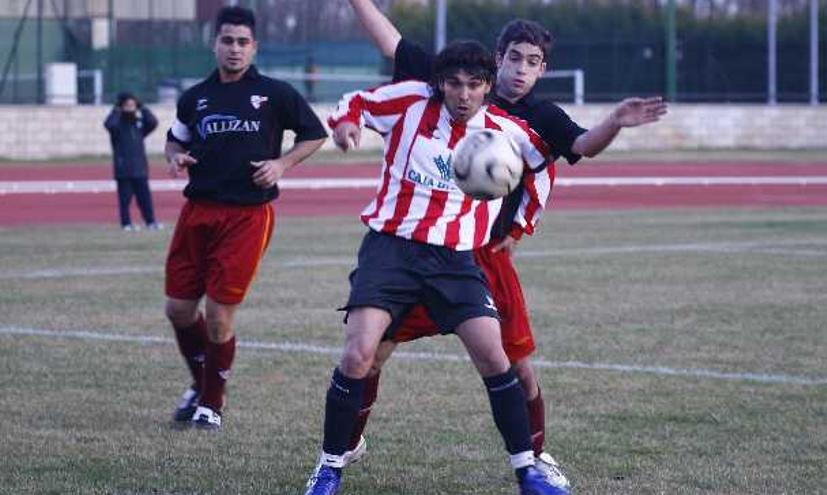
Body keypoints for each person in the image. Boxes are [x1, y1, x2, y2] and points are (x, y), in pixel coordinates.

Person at [344, 0, 669, 489]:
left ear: (544, 69)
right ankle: (349, 440)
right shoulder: (460, 84)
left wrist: (615, 123)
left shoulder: (541, 117)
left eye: (532, 62)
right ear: (497, 60)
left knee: (515, 363)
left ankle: (535, 458)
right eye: (514, 58)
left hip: (484, 258)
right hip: (423, 246)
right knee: (373, 351)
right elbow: (391, 42)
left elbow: (580, 146)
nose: (521, 70)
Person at [304, 40, 567, 495]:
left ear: (487, 87)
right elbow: (356, 103)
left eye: (474, 85)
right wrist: (346, 125)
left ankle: (527, 473)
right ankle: (329, 469)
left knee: (494, 356)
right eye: (454, 84)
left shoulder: (504, 128)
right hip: (391, 250)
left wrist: (522, 222)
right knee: (358, 354)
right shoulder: (410, 103)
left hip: (455, 260)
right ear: (440, 84)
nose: (463, 95)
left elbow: (544, 162)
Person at [163, 6, 327, 430]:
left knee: (219, 316)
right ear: (214, 43)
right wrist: (175, 157)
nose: (234, 49)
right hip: (197, 211)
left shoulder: (275, 93)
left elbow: (314, 134)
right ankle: (201, 384)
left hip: (246, 216)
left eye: (242, 42)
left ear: (254, 48)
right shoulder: (195, 97)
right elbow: (173, 139)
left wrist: (282, 164)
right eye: (227, 40)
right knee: (179, 309)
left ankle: (211, 405)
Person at [104, 92, 160, 231]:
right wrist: (117, 109)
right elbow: (109, 124)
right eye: (128, 105)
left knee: (145, 199)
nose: (131, 108)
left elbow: (153, 122)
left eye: (133, 105)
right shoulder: (117, 126)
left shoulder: (139, 125)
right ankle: (126, 224)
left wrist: (142, 107)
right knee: (125, 200)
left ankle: (151, 222)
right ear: (122, 106)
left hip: (140, 169)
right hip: (124, 169)